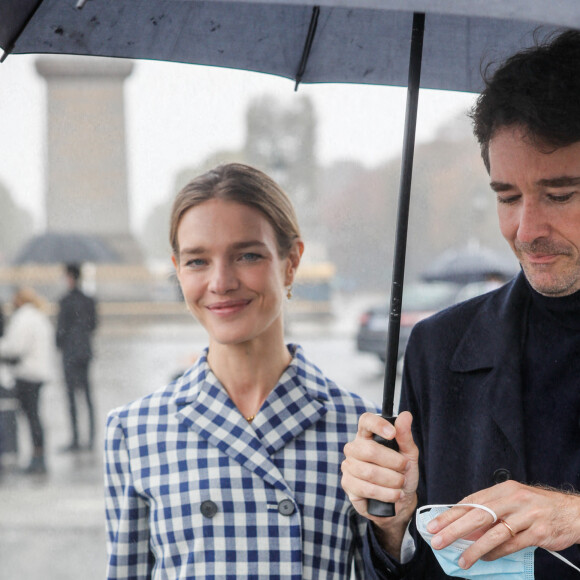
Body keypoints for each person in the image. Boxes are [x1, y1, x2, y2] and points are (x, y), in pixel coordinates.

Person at [341, 29, 580, 579]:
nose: (526, 229)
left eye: (560, 195)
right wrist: (392, 524)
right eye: (507, 196)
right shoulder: (437, 347)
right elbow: (407, 567)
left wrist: (572, 516)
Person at [104, 163, 379, 579]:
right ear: (178, 270)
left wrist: (397, 529)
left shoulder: (359, 428)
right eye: (197, 261)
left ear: (291, 262)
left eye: (247, 255)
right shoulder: (134, 431)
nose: (221, 282)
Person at [0, 287, 55, 474]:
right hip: (39, 373)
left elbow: (15, 347)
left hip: (27, 374)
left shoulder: (23, 318)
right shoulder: (39, 317)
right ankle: (38, 455)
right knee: (35, 417)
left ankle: (37, 459)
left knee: (30, 417)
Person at [56, 263, 98, 451]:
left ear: (70, 277)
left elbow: (60, 329)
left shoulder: (65, 301)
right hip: (85, 351)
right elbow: (94, 325)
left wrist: (61, 343)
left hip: (70, 353)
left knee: (71, 397)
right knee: (87, 395)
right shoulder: (89, 300)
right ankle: (91, 438)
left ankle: (76, 438)